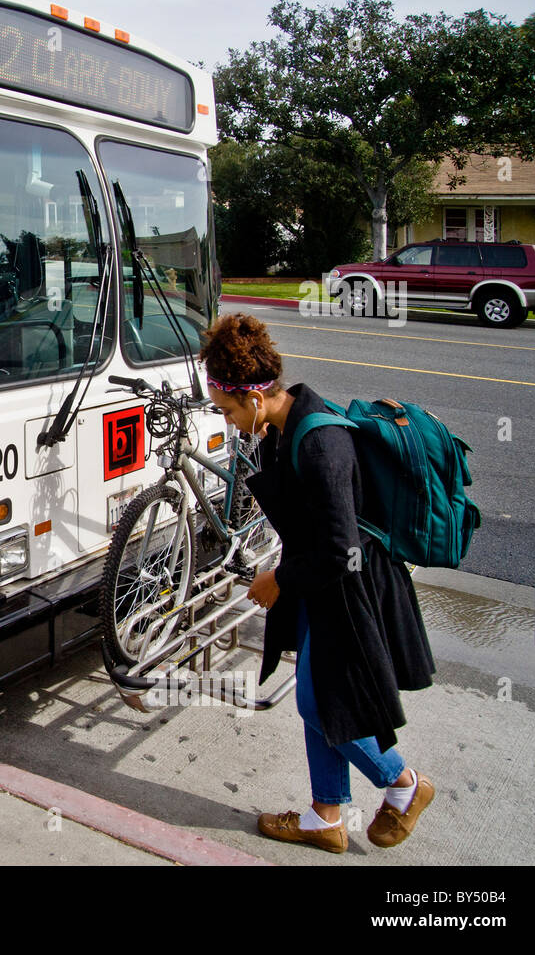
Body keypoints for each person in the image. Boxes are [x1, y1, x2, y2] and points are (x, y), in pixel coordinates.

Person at [200, 312, 435, 853]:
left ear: (255, 398)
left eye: (229, 409)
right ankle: (326, 815)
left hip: (348, 588)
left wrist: (278, 580)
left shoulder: (318, 443)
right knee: (324, 696)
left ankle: (404, 785)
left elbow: (341, 548)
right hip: (321, 586)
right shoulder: (282, 430)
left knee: (314, 701)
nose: (229, 421)